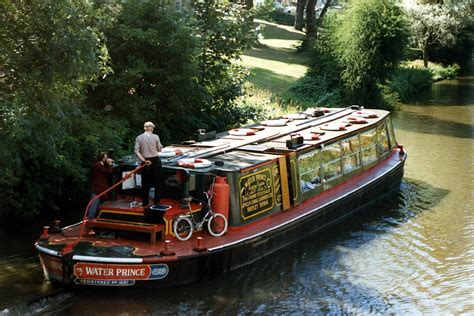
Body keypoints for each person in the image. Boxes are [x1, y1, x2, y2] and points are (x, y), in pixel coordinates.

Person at [134, 121, 163, 207]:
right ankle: (156, 202)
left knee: (145, 183)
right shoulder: (156, 137)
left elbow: (136, 151)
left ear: (145, 128)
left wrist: (144, 160)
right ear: (152, 128)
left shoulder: (139, 137)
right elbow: (159, 149)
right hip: (155, 160)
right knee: (158, 182)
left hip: (145, 161)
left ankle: (145, 202)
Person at [89, 152, 114, 219]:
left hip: (102, 189)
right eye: (105, 158)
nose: (106, 159)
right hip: (97, 190)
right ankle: (90, 220)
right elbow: (109, 171)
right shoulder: (97, 165)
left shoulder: (102, 165)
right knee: (93, 206)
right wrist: (110, 164)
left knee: (101, 206)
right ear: (101, 158)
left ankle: (98, 218)